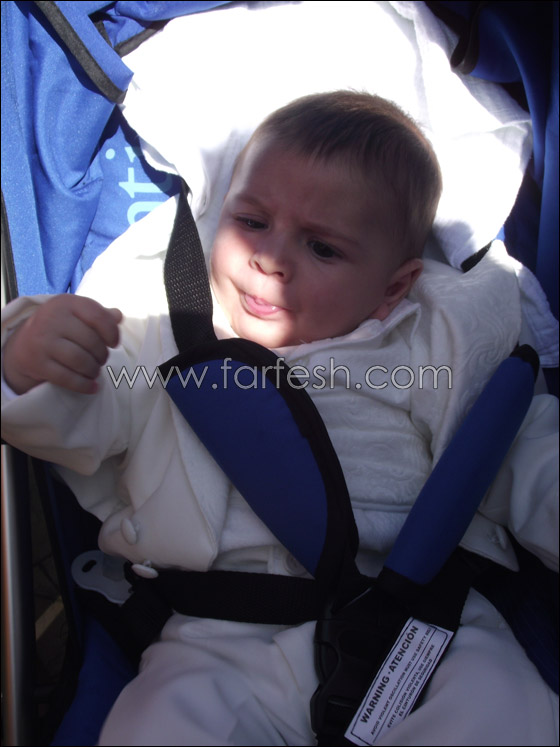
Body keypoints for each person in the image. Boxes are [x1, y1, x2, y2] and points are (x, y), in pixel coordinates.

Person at [2, 91, 558, 746]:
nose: (270, 258)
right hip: (219, 633)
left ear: (393, 287)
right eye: (252, 221)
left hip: (421, 623)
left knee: (501, 709)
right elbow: (90, 415)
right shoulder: (166, 329)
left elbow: (515, 451)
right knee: (158, 726)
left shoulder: (433, 346)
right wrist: (35, 366)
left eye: (322, 248)